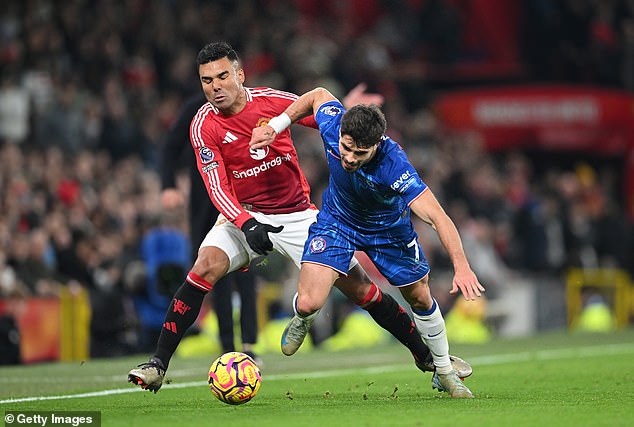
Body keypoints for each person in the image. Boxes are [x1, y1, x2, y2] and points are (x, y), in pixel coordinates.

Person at [128, 41, 471, 393]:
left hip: (298, 215)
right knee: (204, 266)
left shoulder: (273, 102)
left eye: (222, 76)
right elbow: (215, 186)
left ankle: (427, 357)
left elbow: (326, 119)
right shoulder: (203, 124)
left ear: (240, 75)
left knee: (363, 290)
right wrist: (245, 222)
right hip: (243, 216)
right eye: (206, 80)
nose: (215, 87)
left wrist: (349, 111)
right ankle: (157, 364)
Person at [250, 87, 486, 398]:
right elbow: (318, 95)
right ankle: (302, 317)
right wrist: (277, 125)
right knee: (309, 302)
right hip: (338, 222)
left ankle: (443, 371)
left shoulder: (394, 165)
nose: (348, 158)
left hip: (388, 232)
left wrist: (462, 266)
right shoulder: (334, 124)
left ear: (376, 145)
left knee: (419, 298)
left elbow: (438, 217)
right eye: (345, 148)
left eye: (359, 153)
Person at [160, 92, 260, 363]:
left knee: (247, 269)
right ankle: (228, 345)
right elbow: (170, 146)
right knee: (213, 273)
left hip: (242, 196)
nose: (217, 85)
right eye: (210, 78)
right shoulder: (196, 109)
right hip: (205, 201)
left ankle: (249, 344)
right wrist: (168, 185)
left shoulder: (250, 106)